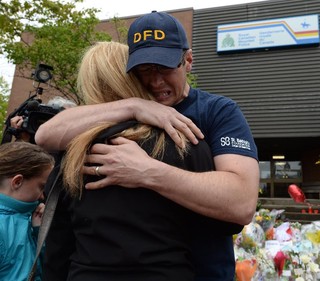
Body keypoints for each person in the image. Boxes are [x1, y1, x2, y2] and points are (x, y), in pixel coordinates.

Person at [36, 11, 259, 280]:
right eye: (144, 70)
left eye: (165, 68)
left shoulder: (216, 112)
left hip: (205, 271)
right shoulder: (119, 116)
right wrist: (134, 105)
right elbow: (45, 135)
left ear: (188, 60)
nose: (156, 82)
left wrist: (147, 171)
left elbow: (242, 204)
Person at [0, 141, 55, 281]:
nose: (43, 196)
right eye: (41, 187)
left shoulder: (28, 217)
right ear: (17, 182)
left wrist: (39, 232)